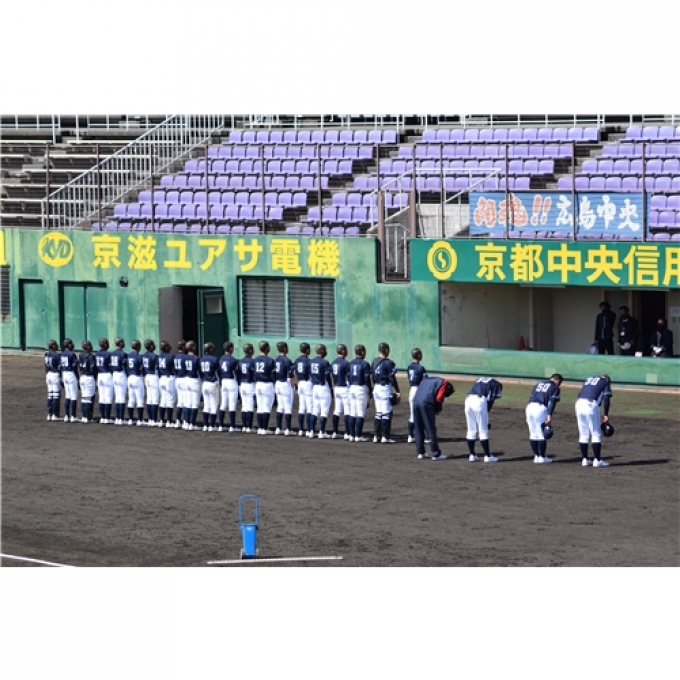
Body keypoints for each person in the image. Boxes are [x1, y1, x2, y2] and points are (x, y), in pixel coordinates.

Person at [412, 376, 455, 461]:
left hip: (415, 401)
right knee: (430, 428)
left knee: (418, 428)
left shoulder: (425, 380)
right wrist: (438, 409)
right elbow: (439, 398)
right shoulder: (444, 382)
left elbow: (417, 392)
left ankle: (420, 452)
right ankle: (436, 453)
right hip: (426, 403)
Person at [575, 374, 613, 468]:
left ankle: (585, 459)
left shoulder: (588, 379)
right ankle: (597, 460)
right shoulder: (605, 382)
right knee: (595, 433)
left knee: (583, 433)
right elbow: (606, 398)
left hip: (578, 404)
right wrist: (606, 414)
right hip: (590, 404)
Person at [525, 374, 563, 464]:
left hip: (529, 407)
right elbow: (552, 401)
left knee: (533, 434)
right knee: (541, 434)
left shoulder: (538, 384)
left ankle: (536, 456)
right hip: (540, 408)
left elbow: (530, 398)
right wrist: (549, 414)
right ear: (557, 380)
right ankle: (542, 457)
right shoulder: (555, 387)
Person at [464, 376, 503, 463]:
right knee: (483, 430)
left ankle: (472, 455)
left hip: (468, 400)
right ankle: (487, 456)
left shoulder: (480, 379)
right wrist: (486, 419)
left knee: (471, 430)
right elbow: (491, 401)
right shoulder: (496, 384)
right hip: (479, 401)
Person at [371, 342, 401, 444]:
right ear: (387, 350)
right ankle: (385, 437)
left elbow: (372, 376)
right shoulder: (388, 363)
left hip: (376, 388)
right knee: (386, 413)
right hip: (384, 388)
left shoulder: (374, 361)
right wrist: (397, 390)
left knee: (378, 413)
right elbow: (392, 378)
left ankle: (376, 436)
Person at [348, 344, 372, 442]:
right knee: (360, 413)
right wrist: (370, 389)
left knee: (352, 412)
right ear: (362, 352)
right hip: (360, 388)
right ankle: (358, 436)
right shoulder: (365, 364)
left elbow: (348, 377)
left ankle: (351, 435)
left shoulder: (351, 363)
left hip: (352, 388)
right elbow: (367, 378)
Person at [309, 343, 332, 438]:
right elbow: (327, 376)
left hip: (315, 387)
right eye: (325, 349)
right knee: (324, 410)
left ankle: (311, 431)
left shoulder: (311, 361)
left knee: (315, 410)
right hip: (323, 387)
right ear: (322, 351)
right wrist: (330, 387)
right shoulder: (324, 362)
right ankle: (322, 432)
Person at [254, 340, 276, 435]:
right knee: (266, 407)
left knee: (260, 407)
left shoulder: (255, 359)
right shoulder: (270, 360)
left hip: (258, 384)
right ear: (267, 348)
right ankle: (264, 428)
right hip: (267, 384)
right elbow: (274, 374)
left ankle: (260, 428)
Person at [406, 348, 428, 443]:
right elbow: (425, 381)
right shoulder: (421, 368)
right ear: (418, 355)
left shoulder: (409, 367)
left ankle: (410, 436)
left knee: (412, 414)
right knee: (422, 414)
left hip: (412, 390)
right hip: (419, 390)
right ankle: (424, 437)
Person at [218, 341, 240, 432]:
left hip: (223, 381)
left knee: (223, 404)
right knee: (232, 404)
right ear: (230, 349)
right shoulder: (233, 359)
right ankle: (232, 426)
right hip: (231, 381)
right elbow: (236, 372)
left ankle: (221, 425)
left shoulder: (220, 358)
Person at [273, 341, 295, 436]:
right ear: (284, 349)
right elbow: (290, 374)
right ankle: (288, 429)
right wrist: (293, 383)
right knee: (288, 407)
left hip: (277, 383)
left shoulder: (276, 360)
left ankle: (278, 428)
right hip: (285, 383)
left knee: (280, 406)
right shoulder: (287, 360)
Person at [331, 344, 351, 439]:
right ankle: (347, 433)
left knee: (337, 410)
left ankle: (335, 432)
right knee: (347, 410)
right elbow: (349, 377)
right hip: (344, 388)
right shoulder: (346, 363)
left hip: (336, 388)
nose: (347, 351)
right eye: (346, 350)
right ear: (343, 351)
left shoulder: (333, 362)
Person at [199, 342, 220, 431]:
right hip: (212, 382)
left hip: (205, 383)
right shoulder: (215, 359)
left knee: (206, 404)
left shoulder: (201, 359)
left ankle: (205, 425)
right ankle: (212, 425)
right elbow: (218, 371)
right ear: (210, 349)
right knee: (214, 404)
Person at [293, 342, 312, 436]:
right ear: (307, 350)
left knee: (301, 407)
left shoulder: (297, 360)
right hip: (307, 383)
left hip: (300, 383)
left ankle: (301, 430)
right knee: (309, 408)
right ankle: (309, 430)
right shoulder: (309, 361)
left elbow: (294, 371)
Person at [125, 339, 145, 426]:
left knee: (131, 399)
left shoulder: (128, 356)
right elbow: (142, 369)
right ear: (138, 346)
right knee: (140, 399)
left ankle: (130, 419)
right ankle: (140, 420)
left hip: (130, 378)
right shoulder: (139, 357)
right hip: (137, 377)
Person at [237, 343, 256, 433]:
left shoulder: (240, 361)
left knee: (244, 406)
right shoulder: (252, 361)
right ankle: (249, 427)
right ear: (250, 350)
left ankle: (244, 426)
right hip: (249, 384)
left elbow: (238, 374)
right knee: (250, 406)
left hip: (242, 384)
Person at [183, 340, 201, 430]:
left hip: (186, 379)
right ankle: (192, 424)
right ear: (193, 347)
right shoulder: (196, 358)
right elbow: (199, 370)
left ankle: (186, 422)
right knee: (194, 403)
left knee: (187, 402)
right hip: (194, 380)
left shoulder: (184, 358)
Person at [157, 340, 176, 428]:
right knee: (170, 399)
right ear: (167, 347)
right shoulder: (171, 356)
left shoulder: (159, 357)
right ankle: (169, 421)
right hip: (169, 378)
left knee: (163, 400)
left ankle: (161, 420)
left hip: (161, 378)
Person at [78, 340, 98, 423]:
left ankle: (84, 416)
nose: (91, 346)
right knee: (89, 398)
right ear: (87, 347)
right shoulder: (90, 356)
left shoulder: (80, 355)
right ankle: (88, 417)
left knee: (84, 398)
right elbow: (93, 369)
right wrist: (96, 380)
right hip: (89, 378)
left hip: (82, 377)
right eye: (90, 345)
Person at [60, 338, 79, 423]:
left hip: (64, 374)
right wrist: (78, 378)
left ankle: (66, 416)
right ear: (69, 345)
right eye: (71, 343)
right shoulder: (72, 354)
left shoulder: (62, 353)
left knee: (67, 395)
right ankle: (73, 416)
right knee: (73, 396)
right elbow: (75, 367)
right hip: (71, 374)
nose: (72, 344)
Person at [95, 337, 113, 424]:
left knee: (102, 397)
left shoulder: (97, 354)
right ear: (105, 344)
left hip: (100, 375)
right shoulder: (108, 354)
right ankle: (107, 418)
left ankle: (102, 417)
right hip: (107, 375)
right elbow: (111, 366)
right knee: (108, 397)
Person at [110, 337, 128, 425]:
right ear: (120, 343)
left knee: (117, 397)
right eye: (122, 342)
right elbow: (125, 365)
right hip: (121, 374)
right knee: (121, 397)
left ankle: (117, 418)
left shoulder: (112, 353)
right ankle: (121, 418)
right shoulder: (123, 354)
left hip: (114, 375)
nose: (124, 343)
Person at [142, 339, 160, 426]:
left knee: (149, 399)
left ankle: (150, 419)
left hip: (147, 377)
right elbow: (157, 369)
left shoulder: (144, 355)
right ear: (151, 346)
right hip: (153, 377)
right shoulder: (154, 356)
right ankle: (154, 420)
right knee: (155, 399)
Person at [44, 339, 62, 421]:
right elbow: (59, 367)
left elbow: (46, 367)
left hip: (48, 375)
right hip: (55, 374)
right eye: (55, 344)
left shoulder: (46, 354)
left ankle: (49, 414)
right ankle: (55, 415)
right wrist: (60, 377)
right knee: (56, 395)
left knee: (50, 395)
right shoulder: (57, 355)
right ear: (53, 346)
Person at [173, 340, 187, 429]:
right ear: (183, 347)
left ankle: (178, 421)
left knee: (180, 401)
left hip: (177, 379)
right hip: (184, 379)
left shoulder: (175, 356)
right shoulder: (185, 357)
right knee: (185, 401)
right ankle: (185, 421)